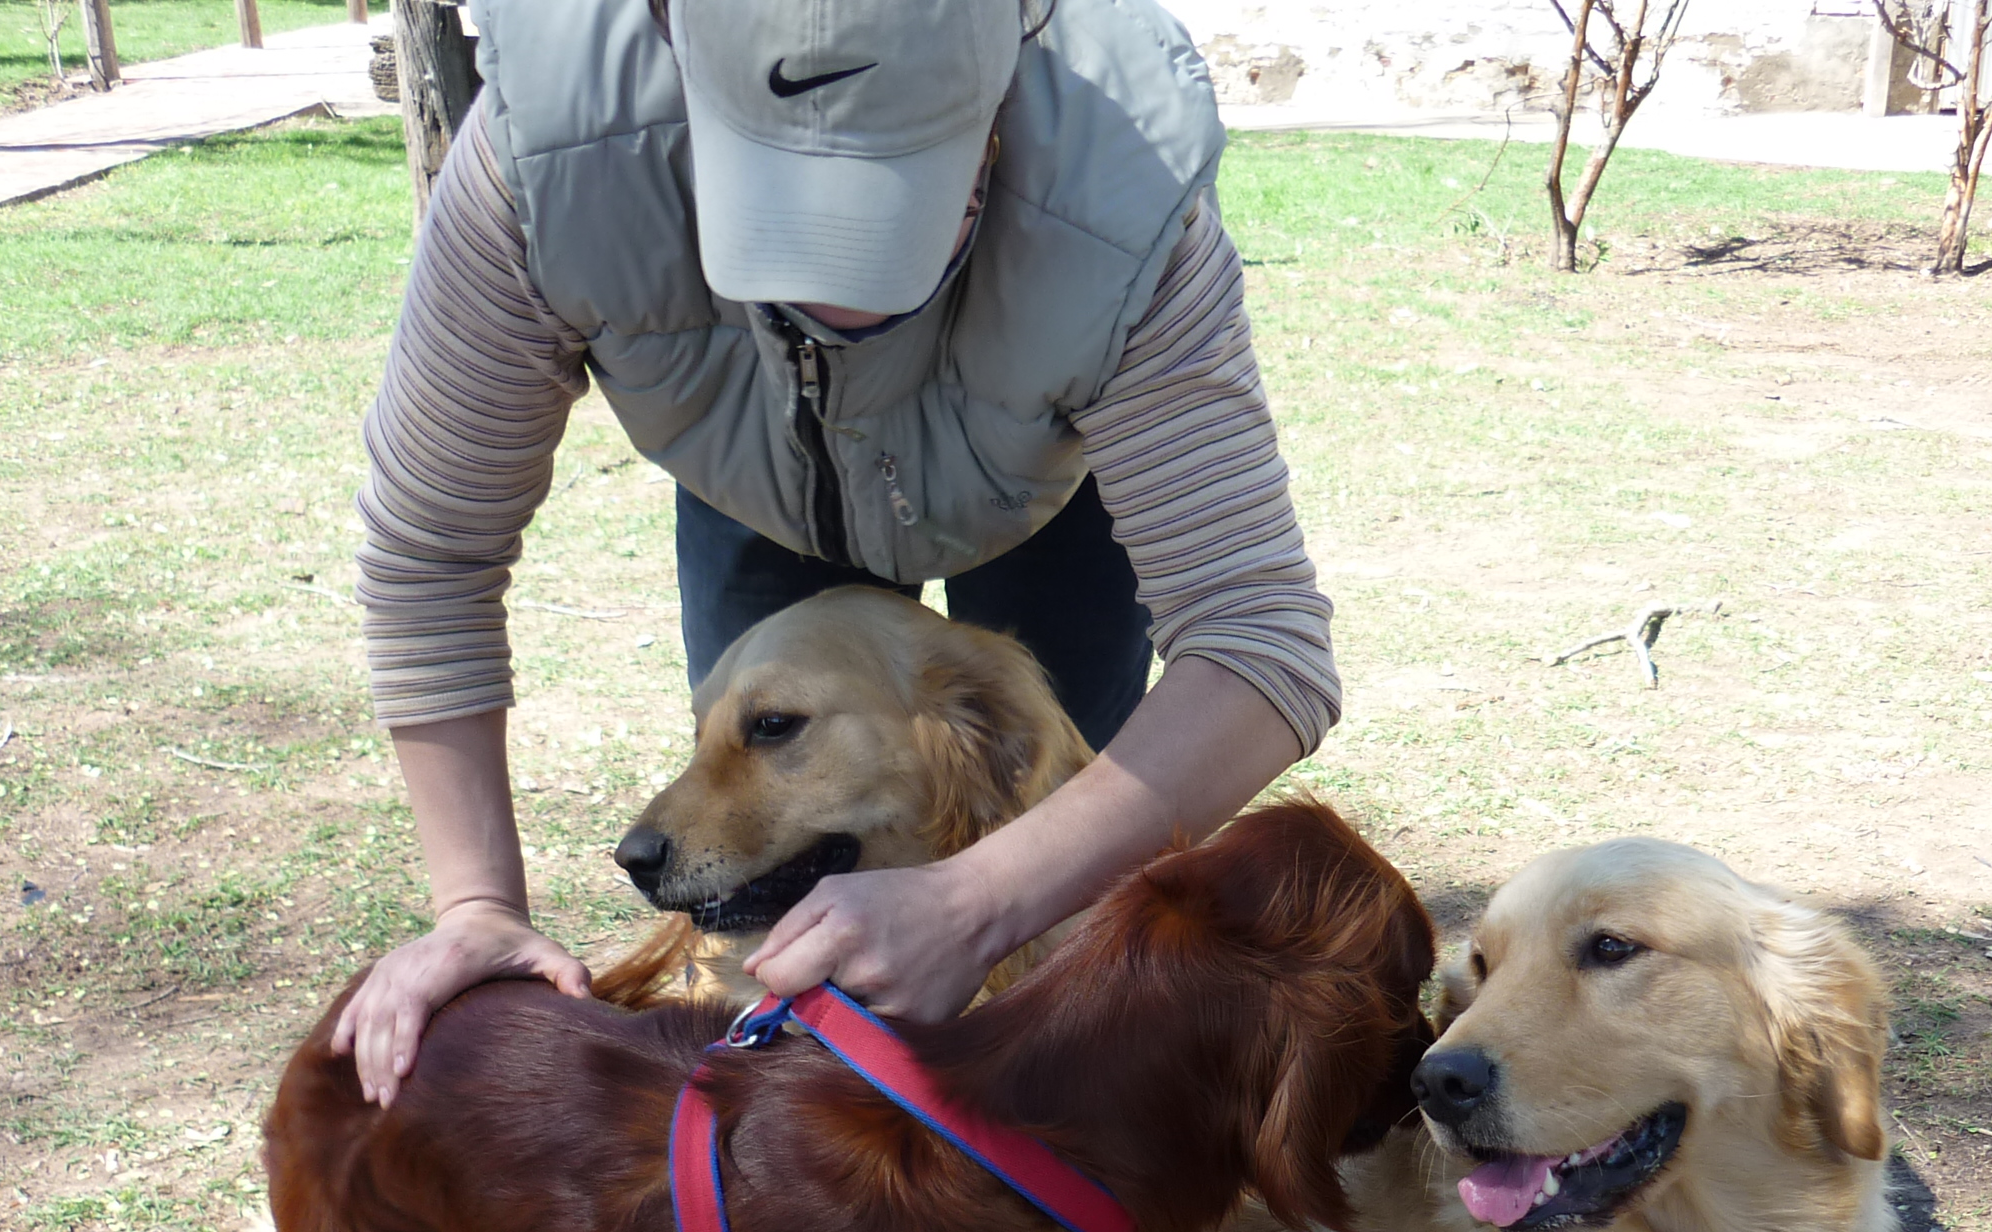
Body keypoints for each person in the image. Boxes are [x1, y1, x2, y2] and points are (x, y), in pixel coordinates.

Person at [335, 0, 1341, 1105]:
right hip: (754, 475)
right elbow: (430, 551)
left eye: (898, 214)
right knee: (773, 874)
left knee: (1062, 865)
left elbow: (1257, 637)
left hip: (1045, 475)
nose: (836, 300)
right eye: (775, 219)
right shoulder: (556, 160)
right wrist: (475, 904)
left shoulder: (1121, 202)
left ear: (1002, 108)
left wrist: (984, 899)